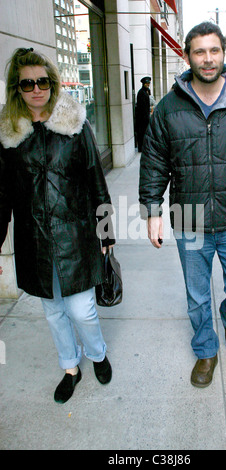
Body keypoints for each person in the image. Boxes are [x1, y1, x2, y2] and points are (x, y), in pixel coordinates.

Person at [139, 22, 226, 388]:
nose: (207, 58)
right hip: (189, 219)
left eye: (214, 50)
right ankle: (206, 350)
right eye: (199, 51)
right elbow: (154, 161)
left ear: (223, 53)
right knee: (197, 295)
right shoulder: (170, 107)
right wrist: (152, 211)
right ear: (187, 56)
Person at [0, 48, 115, 404]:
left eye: (43, 81)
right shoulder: (9, 137)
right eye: (27, 84)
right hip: (34, 239)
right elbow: (2, 196)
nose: (36, 89)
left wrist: (106, 230)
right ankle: (70, 367)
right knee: (53, 311)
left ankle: (97, 354)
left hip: (76, 235)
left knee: (82, 309)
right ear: (17, 90)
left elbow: (97, 179)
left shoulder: (75, 126)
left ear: (52, 82)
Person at [136, 76, 152, 152]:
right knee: (141, 132)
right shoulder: (141, 92)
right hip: (142, 116)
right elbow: (141, 106)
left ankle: (145, 146)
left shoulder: (147, 91)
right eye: (146, 83)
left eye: (148, 83)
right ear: (143, 83)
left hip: (146, 115)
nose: (148, 84)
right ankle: (141, 147)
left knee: (145, 132)